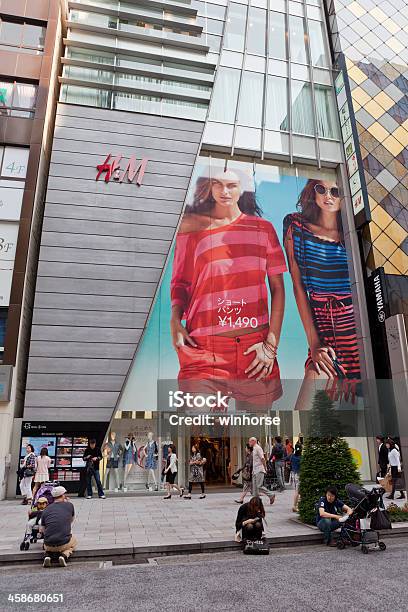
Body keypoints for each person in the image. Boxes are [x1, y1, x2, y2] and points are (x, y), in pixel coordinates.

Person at [170, 167, 287, 411]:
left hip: (255, 350)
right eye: (218, 184)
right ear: (210, 187)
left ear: (242, 187)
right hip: (203, 350)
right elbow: (180, 282)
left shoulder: (263, 229)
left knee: (256, 435)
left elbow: (278, 289)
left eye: (231, 185)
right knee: (200, 432)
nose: (224, 191)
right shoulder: (192, 230)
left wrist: (271, 346)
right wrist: (174, 320)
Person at [284, 181, 360, 410]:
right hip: (324, 335)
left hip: (357, 336)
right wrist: (314, 342)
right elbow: (297, 285)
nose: (328, 195)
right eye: (321, 189)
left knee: (360, 421)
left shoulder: (352, 234)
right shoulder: (295, 226)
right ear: (312, 191)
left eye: (335, 192)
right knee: (303, 413)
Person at [41, 486, 77, 568]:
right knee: (74, 542)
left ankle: (47, 556)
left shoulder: (46, 509)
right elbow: (71, 520)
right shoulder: (69, 505)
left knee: (47, 544)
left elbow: (42, 529)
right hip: (63, 543)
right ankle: (64, 555)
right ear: (63, 495)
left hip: (48, 544)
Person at [249, 437, 275, 504]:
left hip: (259, 470)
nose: (249, 443)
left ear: (253, 441)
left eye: (249, 441)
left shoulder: (258, 448)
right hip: (254, 471)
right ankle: (256, 502)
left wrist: (265, 467)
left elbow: (262, 458)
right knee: (255, 488)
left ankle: (271, 495)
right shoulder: (254, 449)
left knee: (259, 486)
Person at [289, 445, 302, 512]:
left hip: (293, 474)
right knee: (297, 491)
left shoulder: (292, 456)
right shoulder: (301, 458)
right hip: (299, 475)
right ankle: (294, 506)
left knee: (297, 491)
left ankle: (297, 505)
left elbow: (289, 461)